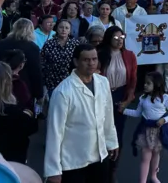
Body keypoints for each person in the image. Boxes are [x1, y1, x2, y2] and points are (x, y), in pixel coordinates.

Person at [44, 44, 119, 182]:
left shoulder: (103, 82)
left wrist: (112, 141)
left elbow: (108, 116)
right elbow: (55, 132)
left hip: (100, 157)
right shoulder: (63, 92)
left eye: (94, 59)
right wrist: (53, 170)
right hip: (74, 163)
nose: (91, 63)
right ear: (76, 62)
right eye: (86, 60)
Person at [97, 26, 138, 180]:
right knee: (100, 131)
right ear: (109, 38)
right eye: (116, 37)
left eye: (122, 37)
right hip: (103, 95)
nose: (119, 40)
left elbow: (133, 79)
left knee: (117, 134)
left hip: (121, 95)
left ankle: (113, 168)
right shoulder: (100, 54)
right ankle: (100, 165)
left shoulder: (129, 55)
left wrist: (127, 100)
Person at [120, 72, 168, 183]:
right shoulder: (143, 99)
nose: (145, 85)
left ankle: (154, 176)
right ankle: (143, 181)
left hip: (159, 131)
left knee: (156, 154)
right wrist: (124, 111)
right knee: (146, 157)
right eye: (145, 83)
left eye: (148, 83)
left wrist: (164, 120)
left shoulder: (165, 99)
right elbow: (137, 113)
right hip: (146, 132)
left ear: (157, 85)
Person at [0, 62, 38, 164]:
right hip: (11, 168)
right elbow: (33, 127)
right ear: (7, 84)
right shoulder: (17, 114)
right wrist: (28, 112)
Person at [0, 18, 43, 105]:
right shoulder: (32, 48)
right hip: (24, 88)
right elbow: (36, 72)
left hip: (0, 85)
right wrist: (39, 94)